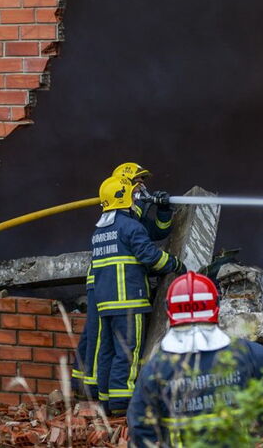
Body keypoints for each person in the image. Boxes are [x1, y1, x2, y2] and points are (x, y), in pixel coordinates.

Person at [127, 272, 263, 446]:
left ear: (169, 310)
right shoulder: (245, 352)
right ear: (216, 305)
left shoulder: (156, 368)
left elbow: (139, 428)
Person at [73, 162, 173, 399]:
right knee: (98, 337)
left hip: (114, 285)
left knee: (105, 342)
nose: (143, 187)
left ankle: (100, 392)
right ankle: (89, 388)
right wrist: (173, 264)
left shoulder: (131, 217)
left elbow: (158, 232)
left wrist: (163, 210)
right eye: (138, 183)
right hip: (104, 283)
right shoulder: (120, 219)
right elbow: (144, 248)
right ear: (124, 187)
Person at [91, 175, 186, 415]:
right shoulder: (131, 227)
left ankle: (106, 401)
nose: (138, 199)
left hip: (105, 303)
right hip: (128, 300)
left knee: (108, 352)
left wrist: (162, 211)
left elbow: (134, 253)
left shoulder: (100, 231)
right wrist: (175, 264)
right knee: (128, 352)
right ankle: (123, 403)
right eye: (135, 194)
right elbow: (151, 257)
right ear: (124, 198)